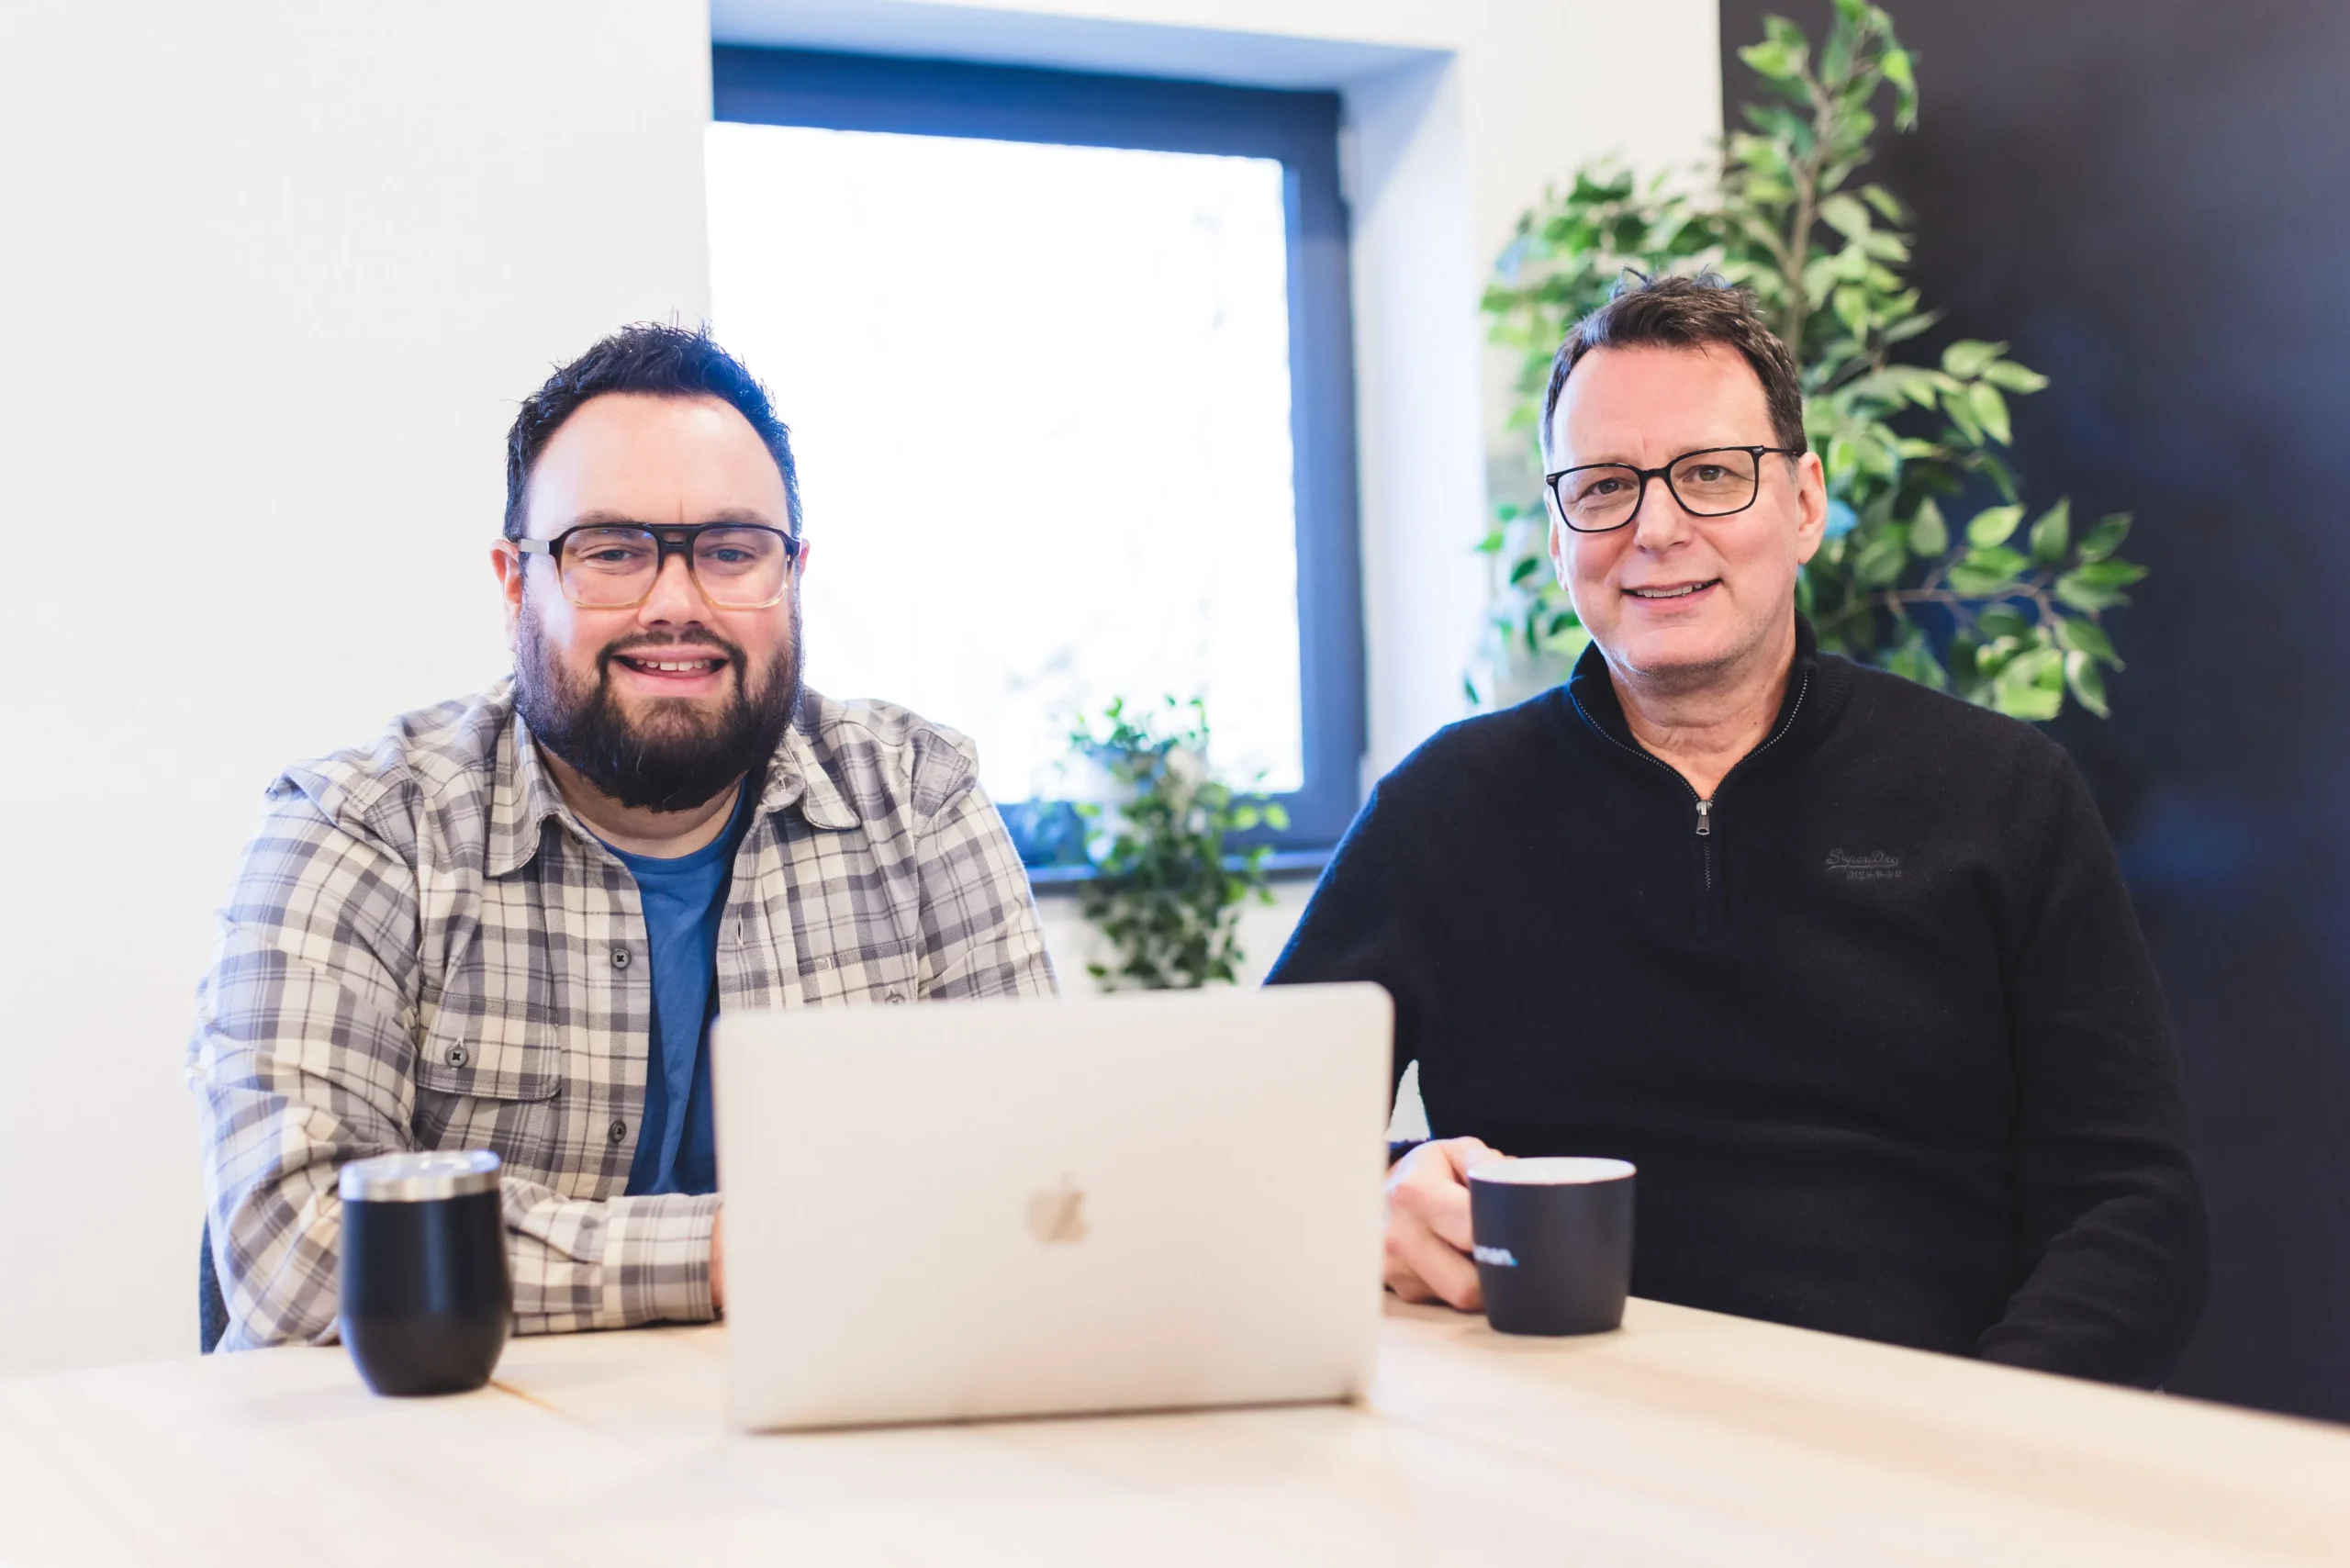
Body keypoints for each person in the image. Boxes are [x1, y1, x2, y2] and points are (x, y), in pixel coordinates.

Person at [1269, 274, 2207, 1386]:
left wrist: (1989, 1443)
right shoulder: (1442, 810)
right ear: (1559, 532)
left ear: (1804, 504)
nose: (1655, 529)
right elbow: (1255, 1147)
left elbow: (2132, 1209)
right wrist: (1382, 1186)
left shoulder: (2001, 794)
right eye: (1604, 486)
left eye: (1710, 475)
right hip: (1554, 1445)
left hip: (1917, 1442)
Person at [189, 325, 1055, 1350]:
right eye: (611, 553)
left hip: (827, 1436)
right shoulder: (361, 830)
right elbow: (296, 1250)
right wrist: (729, 1253)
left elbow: (1034, 1179)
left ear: (793, 575)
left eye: (732, 553)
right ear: (517, 584)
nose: (677, 604)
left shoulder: (919, 798)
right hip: (437, 1467)